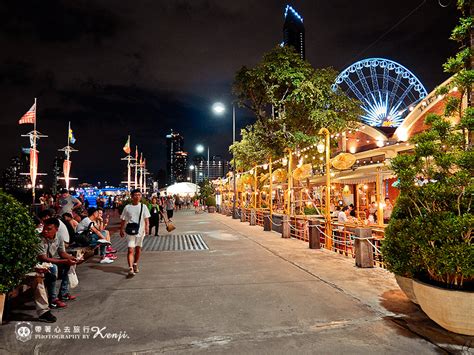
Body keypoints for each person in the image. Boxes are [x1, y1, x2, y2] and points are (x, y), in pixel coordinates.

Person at [37, 218, 78, 309]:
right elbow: (43, 258)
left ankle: (64, 294)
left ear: (56, 229)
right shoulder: (39, 238)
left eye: (49, 229)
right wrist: (65, 260)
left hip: (50, 260)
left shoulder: (59, 236)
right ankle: (53, 299)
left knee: (69, 264)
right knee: (53, 268)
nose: (45, 231)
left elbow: (61, 252)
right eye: (44, 228)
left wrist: (71, 258)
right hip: (40, 263)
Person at [120, 189, 150, 277]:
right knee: (130, 249)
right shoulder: (127, 207)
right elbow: (123, 219)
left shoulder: (143, 206)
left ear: (141, 196)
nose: (137, 196)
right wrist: (121, 229)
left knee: (138, 249)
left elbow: (146, 219)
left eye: (139, 195)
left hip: (140, 231)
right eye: (135, 195)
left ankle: (135, 263)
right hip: (130, 231)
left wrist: (147, 228)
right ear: (132, 196)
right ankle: (130, 268)